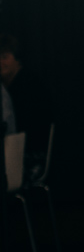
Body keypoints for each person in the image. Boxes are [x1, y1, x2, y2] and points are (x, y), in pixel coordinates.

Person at [0, 34, 54, 182]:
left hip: (29, 157)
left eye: (4, 57)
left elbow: (22, 131)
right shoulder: (7, 88)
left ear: (17, 59)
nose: (0, 62)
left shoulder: (30, 87)